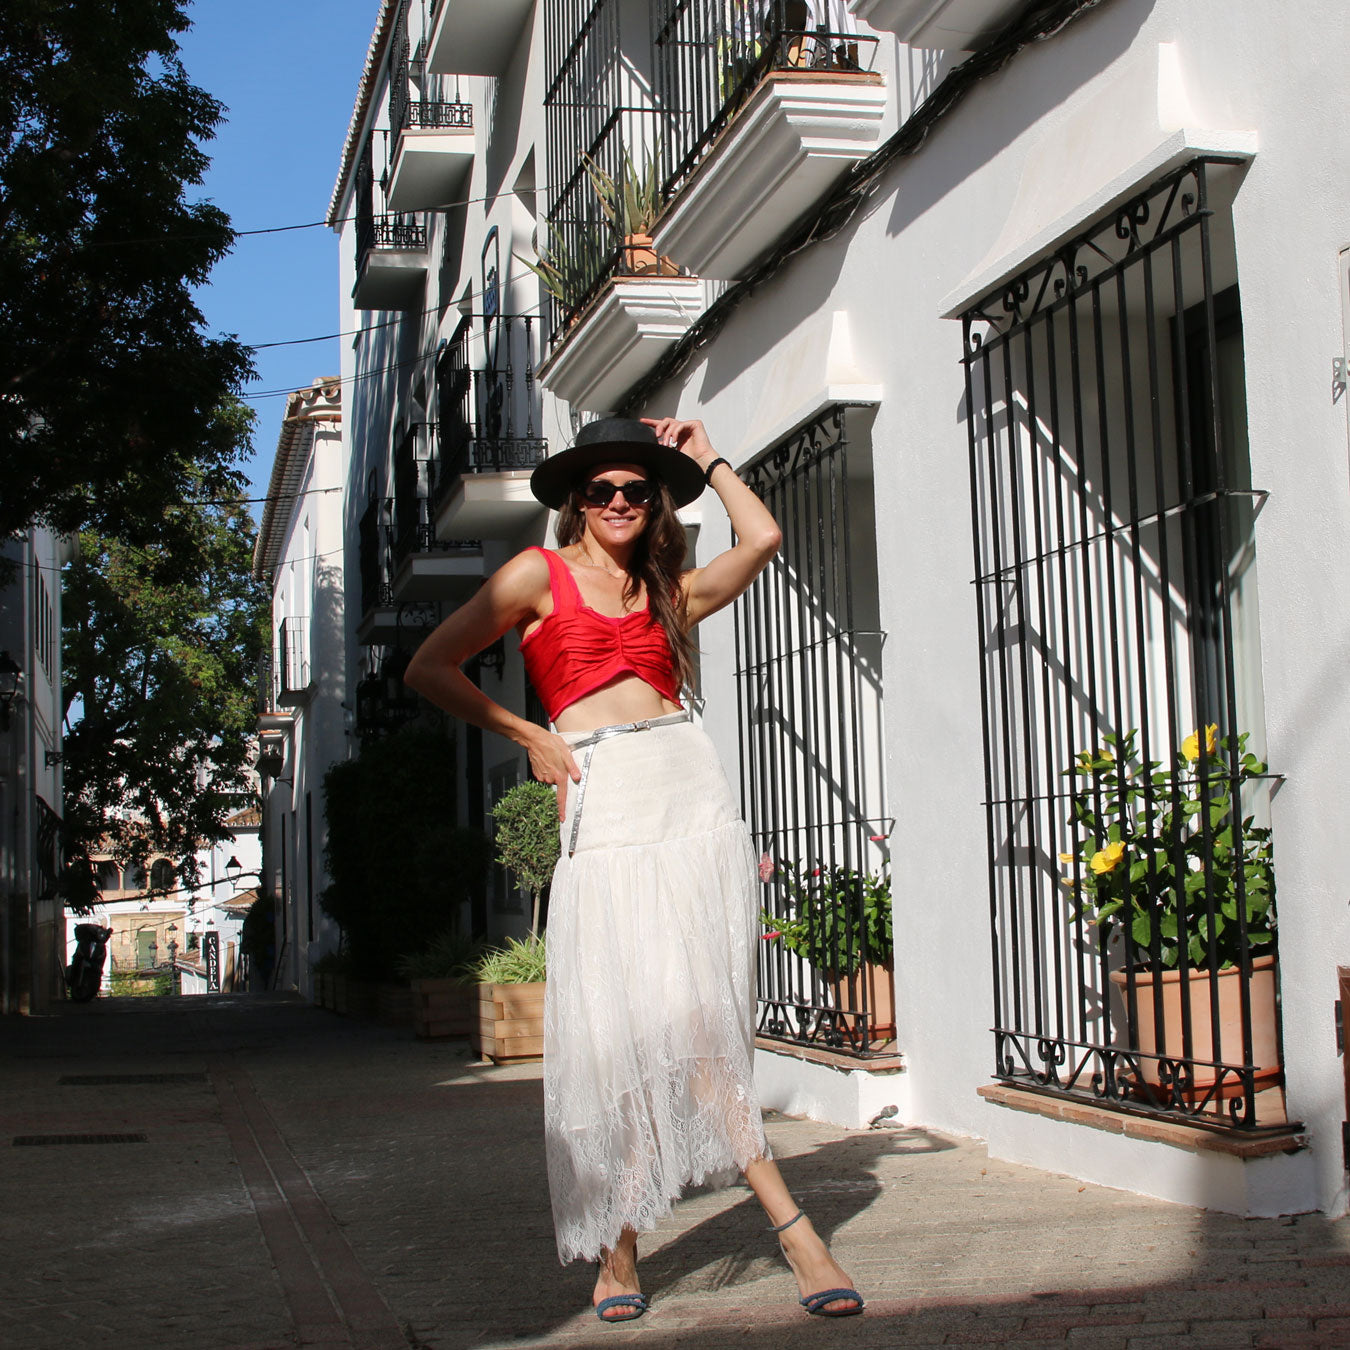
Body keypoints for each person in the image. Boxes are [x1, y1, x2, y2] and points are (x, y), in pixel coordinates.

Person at [404, 416, 864, 1323]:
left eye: (637, 491)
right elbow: (429, 665)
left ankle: (779, 1230)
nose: (619, 503)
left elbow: (764, 538)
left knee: (699, 1022)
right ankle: (632, 1246)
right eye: (603, 490)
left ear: (654, 503)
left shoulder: (667, 594)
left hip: (686, 789)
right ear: (575, 500)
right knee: (621, 1028)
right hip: (605, 799)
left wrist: (707, 460)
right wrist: (525, 731)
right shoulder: (535, 575)